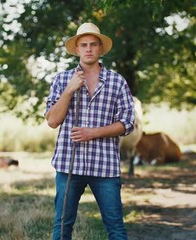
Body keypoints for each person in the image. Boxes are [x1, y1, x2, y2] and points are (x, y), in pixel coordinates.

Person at [44, 22, 135, 240]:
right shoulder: (62, 80)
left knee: (115, 227)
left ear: (100, 49)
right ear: (76, 49)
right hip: (69, 165)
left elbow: (127, 123)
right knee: (62, 227)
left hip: (105, 166)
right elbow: (52, 121)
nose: (88, 49)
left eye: (93, 44)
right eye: (83, 45)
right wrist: (69, 90)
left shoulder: (117, 82)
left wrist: (92, 133)